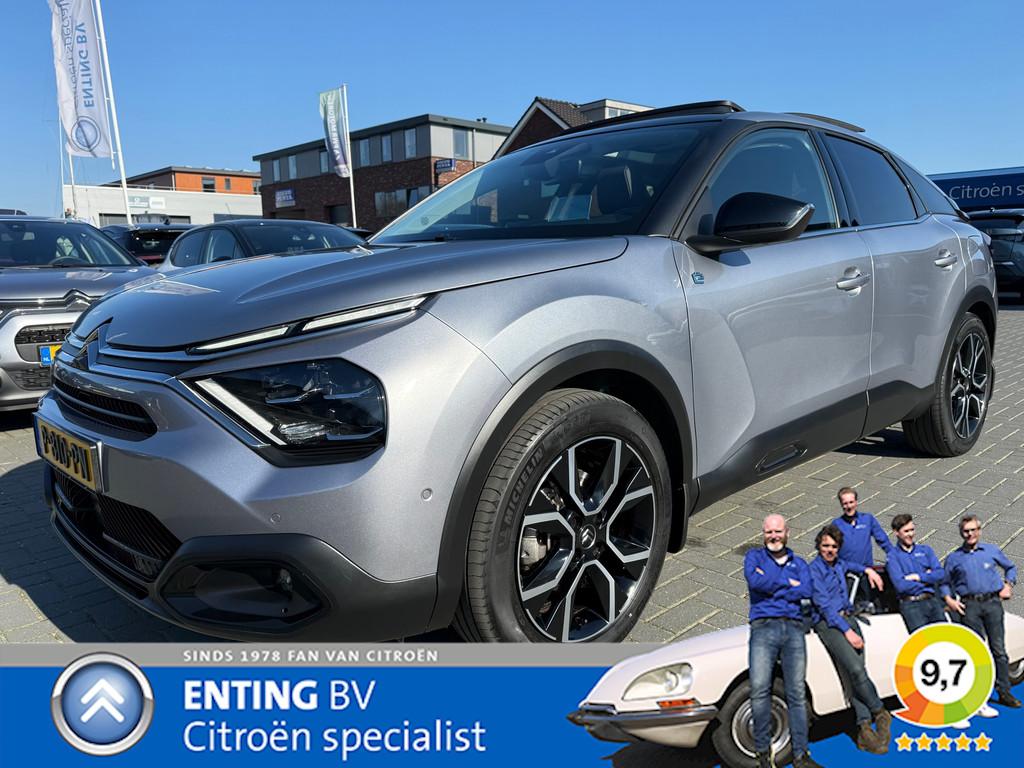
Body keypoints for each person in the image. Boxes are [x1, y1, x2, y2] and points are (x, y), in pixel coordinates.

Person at [744, 514, 823, 768]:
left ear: (787, 532)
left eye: (778, 531)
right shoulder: (753, 557)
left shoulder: (800, 563)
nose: (773, 536)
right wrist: (789, 585)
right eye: (769, 532)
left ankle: (801, 756)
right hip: (763, 628)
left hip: (793, 629)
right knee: (759, 690)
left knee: (797, 693)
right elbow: (754, 581)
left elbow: (806, 590)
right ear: (763, 534)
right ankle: (763, 756)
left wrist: (771, 585)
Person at [810, 524, 891, 754]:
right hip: (830, 624)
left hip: (849, 617)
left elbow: (854, 566)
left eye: (834, 547)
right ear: (818, 546)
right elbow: (825, 608)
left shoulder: (840, 564)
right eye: (826, 546)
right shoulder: (813, 571)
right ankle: (880, 711)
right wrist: (848, 632)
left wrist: (869, 571)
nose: (830, 550)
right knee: (855, 670)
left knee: (857, 673)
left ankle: (863, 729)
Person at [942, 514, 1021, 709]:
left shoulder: (991, 551)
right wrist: (949, 600)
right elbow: (944, 582)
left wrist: (1008, 585)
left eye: (973, 530)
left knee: (999, 650)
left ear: (979, 531)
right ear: (961, 533)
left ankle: (1004, 692)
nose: (970, 534)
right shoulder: (954, 558)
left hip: (992, 604)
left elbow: (1010, 567)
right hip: (970, 607)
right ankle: (978, 696)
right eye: (966, 531)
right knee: (976, 652)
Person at [885, 514, 946, 632]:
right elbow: (901, 585)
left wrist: (918, 577)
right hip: (911, 605)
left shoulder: (926, 550)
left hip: (932, 601)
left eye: (912, 530)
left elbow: (940, 574)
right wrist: (928, 579)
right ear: (896, 532)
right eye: (906, 531)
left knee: (942, 637)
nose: (910, 534)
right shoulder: (893, 556)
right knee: (922, 640)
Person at [832, 487, 889, 597]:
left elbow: (883, 541)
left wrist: (896, 557)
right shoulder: (836, 525)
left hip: (866, 573)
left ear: (856, 502)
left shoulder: (867, 519)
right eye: (845, 503)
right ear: (841, 504)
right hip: (846, 574)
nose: (849, 506)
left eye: (851, 502)